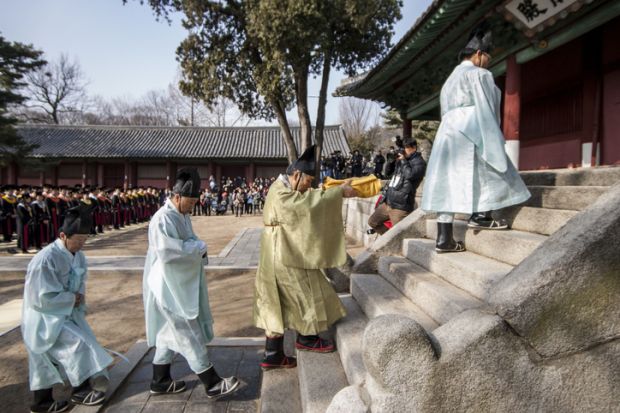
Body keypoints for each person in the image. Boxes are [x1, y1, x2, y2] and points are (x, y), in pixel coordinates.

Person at [421, 22, 530, 253]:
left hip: (447, 131)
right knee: (489, 168)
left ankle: (444, 239)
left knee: (447, 182)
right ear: (479, 54)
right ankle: (481, 215)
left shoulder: (449, 80)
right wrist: (494, 134)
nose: (488, 62)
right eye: (488, 57)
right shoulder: (479, 74)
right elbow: (487, 105)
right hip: (471, 126)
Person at [253, 145, 358, 369]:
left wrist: (334, 189)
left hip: (279, 249)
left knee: (278, 299)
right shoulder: (282, 193)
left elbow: (305, 198)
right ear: (297, 175)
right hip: (281, 252)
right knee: (306, 290)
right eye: (308, 181)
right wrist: (338, 193)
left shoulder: (283, 188)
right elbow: (304, 206)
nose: (308, 186)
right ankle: (307, 338)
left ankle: (273, 353)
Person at [143, 168, 240, 399]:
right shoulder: (163, 218)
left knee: (169, 333)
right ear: (177, 197)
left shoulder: (181, 215)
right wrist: (198, 248)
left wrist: (198, 246)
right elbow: (167, 251)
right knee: (188, 332)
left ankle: (160, 380)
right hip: (166, 286)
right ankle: (212, 382)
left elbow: (190, 241)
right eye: (191, 201)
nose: (193, 205)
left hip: (176, 283)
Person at [21, 204, 113, 412]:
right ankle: (68, 395)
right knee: (73, 348)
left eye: (84, 240)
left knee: (76, 347)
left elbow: (79, 282)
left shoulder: (78, 255)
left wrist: (76, 301)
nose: (81, 244)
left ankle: (69, 393)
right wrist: (72, 299)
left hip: (66, 313)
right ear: (63, 235)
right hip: (45, 318)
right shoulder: (45, 259)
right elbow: (40, 298)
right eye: (78, 240)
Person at [368, 139, 426, 235]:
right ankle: (389, 239)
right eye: (403, 147)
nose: (404, 150)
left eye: (406, 147)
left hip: (401, 205)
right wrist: (391, 161)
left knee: (400, 235)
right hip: (388, 202)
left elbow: (410, 175)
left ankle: (393, 242)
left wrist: (403, 160)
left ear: (414, 148)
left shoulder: (419, 162)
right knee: (372, 222)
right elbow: (387, 173)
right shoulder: (402, 160)